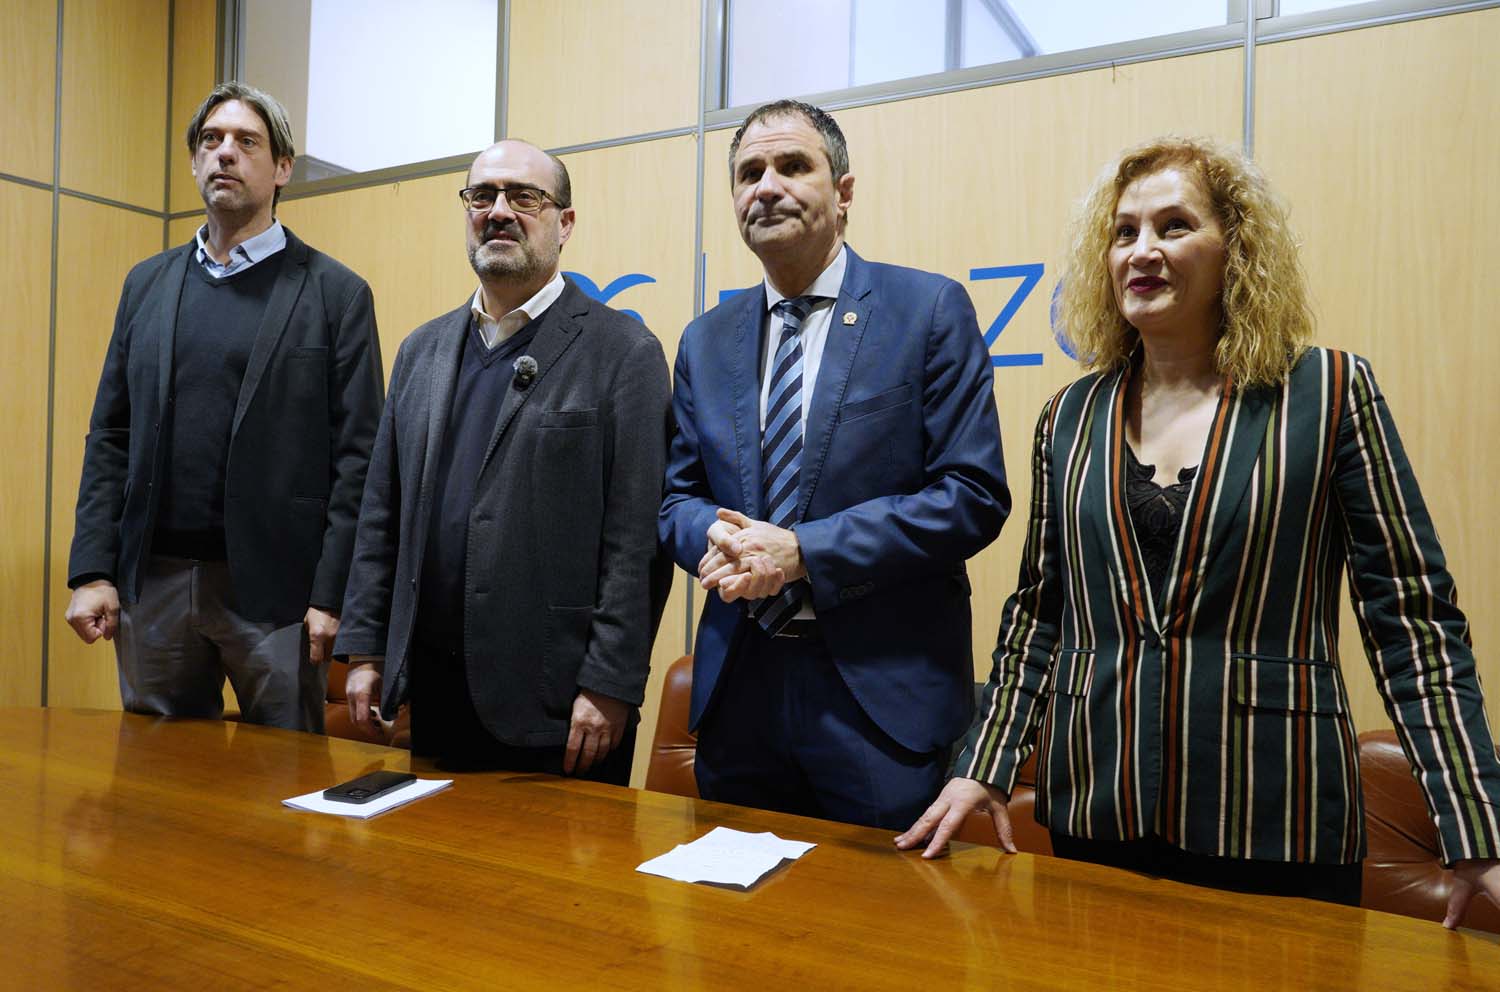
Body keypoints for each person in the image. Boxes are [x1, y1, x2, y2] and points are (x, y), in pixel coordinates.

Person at [896, 136, 1500, 924]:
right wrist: (985, 762)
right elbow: (1040, 612)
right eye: (1124, 232)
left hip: (1274, 816)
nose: (1143, 250)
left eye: (1175, 226)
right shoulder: (1069, 418)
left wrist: (1474, 824)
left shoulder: (1329, 392)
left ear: (1236, 250)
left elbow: (1412, 625)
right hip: (1096, 809)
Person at [659, 100, 1009, 830]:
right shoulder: (704, 340)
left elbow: (971, 495)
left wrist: (802, 553)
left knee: (884, 931)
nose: (766, 185)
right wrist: (720, 545)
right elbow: (678, 500)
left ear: (844, 192)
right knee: (734, 932)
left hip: (879, 700)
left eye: (792, 166)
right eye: (749, 172)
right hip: (741, 691)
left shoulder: (928, 310)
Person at [334, 140, 671, 782]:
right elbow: (382, 515)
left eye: (524, 197)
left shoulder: (623, 352)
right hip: (433, 689)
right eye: (482, 196)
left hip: (559, 703)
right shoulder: (421, 351)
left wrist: (611, 683)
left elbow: (637, 545)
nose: (499, 212)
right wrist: (366, 646)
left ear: (564, 223)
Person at [64, 82, 383, 732]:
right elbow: (111, 436)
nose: (225, 154)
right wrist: (93, 570)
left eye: (246, 142)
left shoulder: (336, 294)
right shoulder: (147, 284)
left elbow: (360, 462)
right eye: (211, 141)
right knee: (158, 793)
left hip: (277, 594)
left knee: (284, 791)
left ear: (283, 168)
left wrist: (332, 594)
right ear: (193, 162)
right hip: (152, 583)